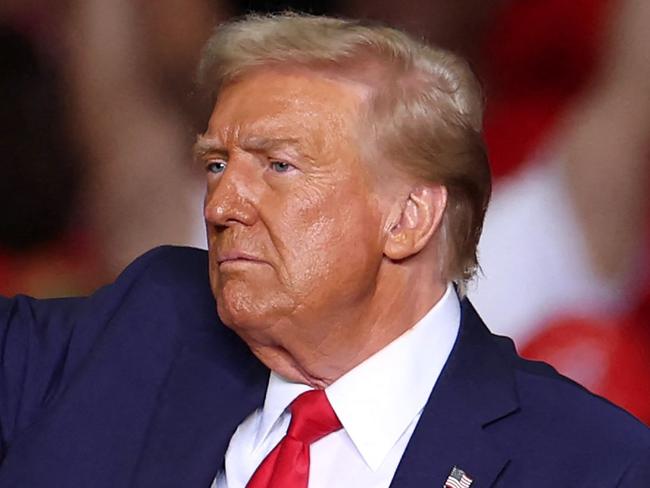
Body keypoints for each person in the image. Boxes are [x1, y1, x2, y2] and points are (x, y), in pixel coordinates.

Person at [0, 12, 648, 488]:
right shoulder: (151, 320)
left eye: (280, 166)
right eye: (217, 165)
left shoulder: (594, 463)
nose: (221, 205)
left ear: (409, 218)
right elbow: (120, 123)